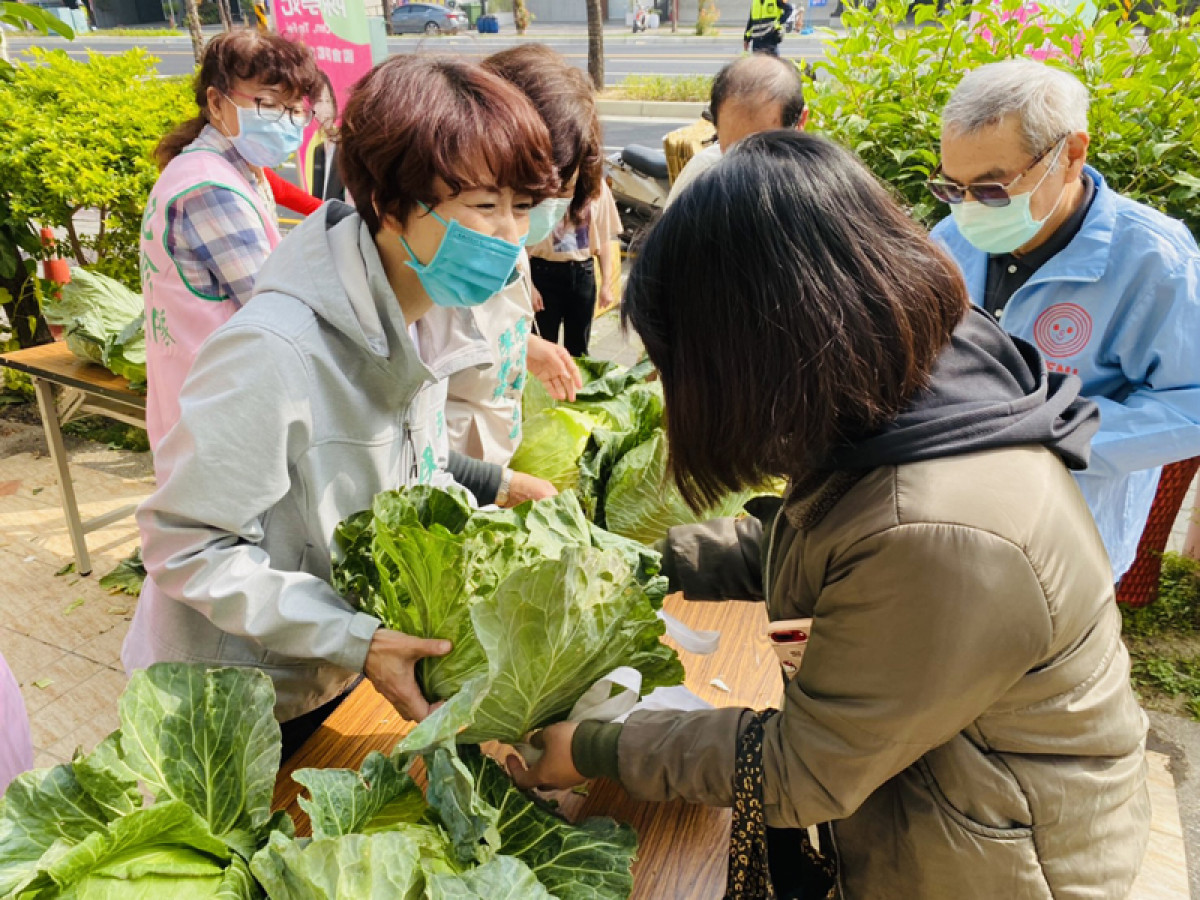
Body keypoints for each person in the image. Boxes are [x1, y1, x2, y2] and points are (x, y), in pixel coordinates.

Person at [508, 132, 1149, 899]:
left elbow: (802, 769)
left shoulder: (941, 529)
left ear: (761, 349)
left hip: (994, 866)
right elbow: (821, 539)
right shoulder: (915, 384)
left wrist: (596, 748)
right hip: (929, 804)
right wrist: (646, 563)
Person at [123, 56, 559, 760]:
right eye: (484, 207)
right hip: (230, 701)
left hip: (330, 672)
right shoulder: (274, 351)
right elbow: (184, 543)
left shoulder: (426, 315)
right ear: (389, 206)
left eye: (521, 206)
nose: (512, 237)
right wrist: (352, 637)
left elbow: (407, 483)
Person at [928, 59, 1200, 580]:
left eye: (991, 188)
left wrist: (1056, 433)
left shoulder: (1155, 262)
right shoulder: (951, 237)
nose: (969, 208)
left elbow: (1190, 404)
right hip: (958, 519)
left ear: (1071, 155)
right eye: (952, 187)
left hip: (1073, 533)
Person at [141, 28, 322, 451]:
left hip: (204, 395)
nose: (288, 121)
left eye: (296, 109)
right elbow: (272, 304)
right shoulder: (210, 188)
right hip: (221, 410)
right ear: (217, 102)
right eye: (269, 104)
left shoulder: (222, 165)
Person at [424, 43, 597, 470]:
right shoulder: (434, 252)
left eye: (560, 191)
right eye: (527, 195)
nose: (518, 223)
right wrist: (492, 485)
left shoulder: (510, 236)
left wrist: (524, 348)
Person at [525, 81, 622, 359]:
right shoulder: (543, 188)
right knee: (545, 345)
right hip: (543, 273)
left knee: (579, 348)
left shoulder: (596, 190)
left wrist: (606, 285)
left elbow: (604, 240)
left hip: (581, 274)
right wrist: (529, 285)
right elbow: (519, 244)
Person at [666, 53, 808, 207]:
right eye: (731, 152)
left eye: (760, 152)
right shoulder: (701, 176)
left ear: (800, 124)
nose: (743, 167)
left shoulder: (816, 188)